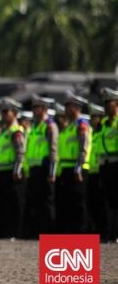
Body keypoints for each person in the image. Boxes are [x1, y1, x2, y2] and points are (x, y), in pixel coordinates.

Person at [23, 95, 58, 239]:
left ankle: (48, 232)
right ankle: (37, 232)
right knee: (36, 202)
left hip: (45, 168)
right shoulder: (35, 127)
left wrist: (52, 171)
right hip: (34, 169)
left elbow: (53, 150)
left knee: (46, 203)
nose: (33, 111)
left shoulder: (49, 126)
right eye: (33, 108)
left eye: (36, 108)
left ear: (44, 109)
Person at [55, 92, 91, 234]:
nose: (65, 109)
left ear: (76, 108)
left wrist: (78, 168)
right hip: (66, 170)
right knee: (68, 204)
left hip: (77, 170)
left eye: (68, 106)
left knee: (78, 204)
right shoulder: (69, 127)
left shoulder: (81, 125)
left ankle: (81, 234)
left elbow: (83, 148)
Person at [0, 98, 26, 239]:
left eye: (6, 112)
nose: (3, 115)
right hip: (1, 172)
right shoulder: (4, 132)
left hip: (12, 173)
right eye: (2, 112)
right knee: (2, 204)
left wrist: (17, 169)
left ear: (14, 113)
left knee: (13, 204)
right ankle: (4, 232)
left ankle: (14, 233)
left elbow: (20, 152)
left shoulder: (15, 131)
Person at [87, 103, 108, 241]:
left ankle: (105, 232)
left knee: (103, 204)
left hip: (102, 171)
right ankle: (96, 232)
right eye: (92, 117)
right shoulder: (92, 133)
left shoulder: (102, 132)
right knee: (93, 203)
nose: (93, 119)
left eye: (96, 117)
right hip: (91, 172)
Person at [101, 88, 118, 242]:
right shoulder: (105, 124)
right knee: (110, 201)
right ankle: (111, 234)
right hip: (107, 165)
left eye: (109, 102)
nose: (106, 106)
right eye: (105, 103)